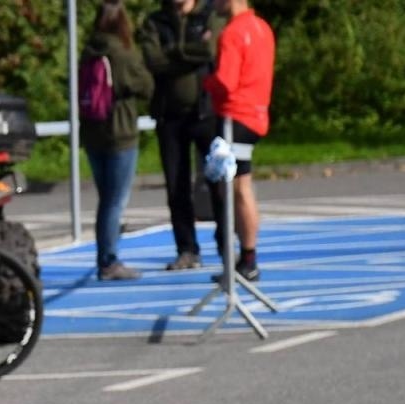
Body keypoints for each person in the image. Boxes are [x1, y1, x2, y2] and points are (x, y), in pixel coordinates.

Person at [138, 0, 223, 271]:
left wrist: (173, 53)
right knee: (177, 186)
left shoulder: (208, 16)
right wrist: (189, 53)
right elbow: (153, 60)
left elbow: (210, 51)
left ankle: (225, 243)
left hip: (205, 111)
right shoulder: (156, 22)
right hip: (170, 115)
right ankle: (186, 248)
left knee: (218, 182)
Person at [82, 1, 154, 282]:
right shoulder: (122, 52)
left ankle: (105, 256)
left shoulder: (89, 51)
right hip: (120, 131)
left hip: (92, 132)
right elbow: (146, 85)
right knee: (115, 201)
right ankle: (109, 260)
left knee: (106, 200)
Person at [203, 0, 273, 282]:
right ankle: (245, 256)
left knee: (235, 186)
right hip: (256, 113)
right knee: (237, 184)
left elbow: (226, 81)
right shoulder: (262, 28)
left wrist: (204, 83)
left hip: (235, 116)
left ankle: (244, 255)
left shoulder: (232, 33)